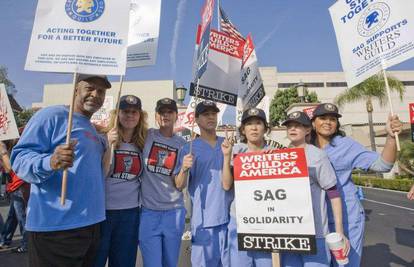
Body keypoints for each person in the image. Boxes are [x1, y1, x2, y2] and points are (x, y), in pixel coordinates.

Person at [11, 74, 111, 267]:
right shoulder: (52, 116)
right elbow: (19, 160)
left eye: (101, 91)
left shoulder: (92, 129)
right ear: (75, 89)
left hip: (91, 226)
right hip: (56, 230)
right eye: (89, 88)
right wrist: (50, 161)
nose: (95, 94)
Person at [310, 103, 402, 267]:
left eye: (333, 119)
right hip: (315, 219)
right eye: (322, 118)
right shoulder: (304, 147)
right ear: (313, 123)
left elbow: (383, 165)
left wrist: (390, 138)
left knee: (345, 264)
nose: (328, 122)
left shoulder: (347, 145)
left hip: (347, 218)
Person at [281, 111, 349, 267]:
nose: (292, 129)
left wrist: (339, 231)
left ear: (307, 130)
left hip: (316, 233)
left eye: (298, 126)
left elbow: (333, 193)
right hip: (289, 234)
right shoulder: (281, 156)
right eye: (289, 126)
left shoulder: (317, 155)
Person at [174, 100, 233, 267]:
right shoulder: (189, 148)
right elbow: (179, 185)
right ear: (197, 120)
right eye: (206, 114)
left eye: (213, 114)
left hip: (229, 220)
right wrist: (184, 169)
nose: (211, 117)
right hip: (203, 222)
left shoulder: (228, 144)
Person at [93, 95, 147, 267]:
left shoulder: (143, 142)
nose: (130, 115)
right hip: (103, 212)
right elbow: (102, 173)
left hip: (130, 213)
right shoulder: (103, 138)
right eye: (125, 111)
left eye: (134, 112)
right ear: (117, 114)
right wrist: (110, 145)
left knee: (124, 262)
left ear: (140, 116)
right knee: (96, 260)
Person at [221, 107, 273, 267]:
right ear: (243, 129)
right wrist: (226, 156)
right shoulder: (236, 151)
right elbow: (226, 185)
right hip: (240, 220)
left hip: (268, 222)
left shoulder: (274, 153)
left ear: (265, 127)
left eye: (258, 123)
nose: (254, 127)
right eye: (249, 124)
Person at [139, 98, 186, 267]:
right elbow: (123, 128)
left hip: (174, 213)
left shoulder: (182, 145)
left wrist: (185, 169)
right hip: (148, 213)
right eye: (162, 112)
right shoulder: (146, 135)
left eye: (169, 112)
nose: (165, 115)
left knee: (170, 263)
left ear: (176, 116)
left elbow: (179, 184)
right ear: (156, 116)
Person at [0, 140, 30, 253]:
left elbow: (9, 168)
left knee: (21, 217)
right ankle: (5, 240)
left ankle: (26, 244)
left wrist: (2, 152)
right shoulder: (13, 148)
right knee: (12, 217)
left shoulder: (13, 149)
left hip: (19, 186)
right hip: (15, 187)